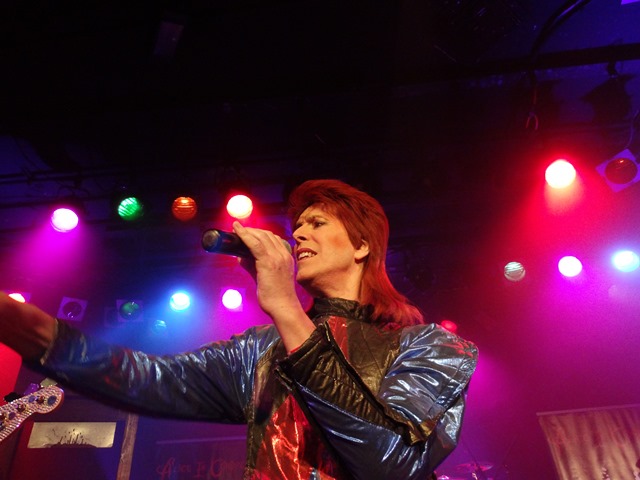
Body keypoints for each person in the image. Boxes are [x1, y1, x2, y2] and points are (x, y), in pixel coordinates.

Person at [0, 179, 478, 479]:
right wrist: (27, 328)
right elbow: (145, 378)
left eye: (316, 223)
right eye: (298, 225)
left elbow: (390, 462)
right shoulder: (259, 350)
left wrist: (285, 307)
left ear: (362, 246)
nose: (298, 234)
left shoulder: (430, 346)